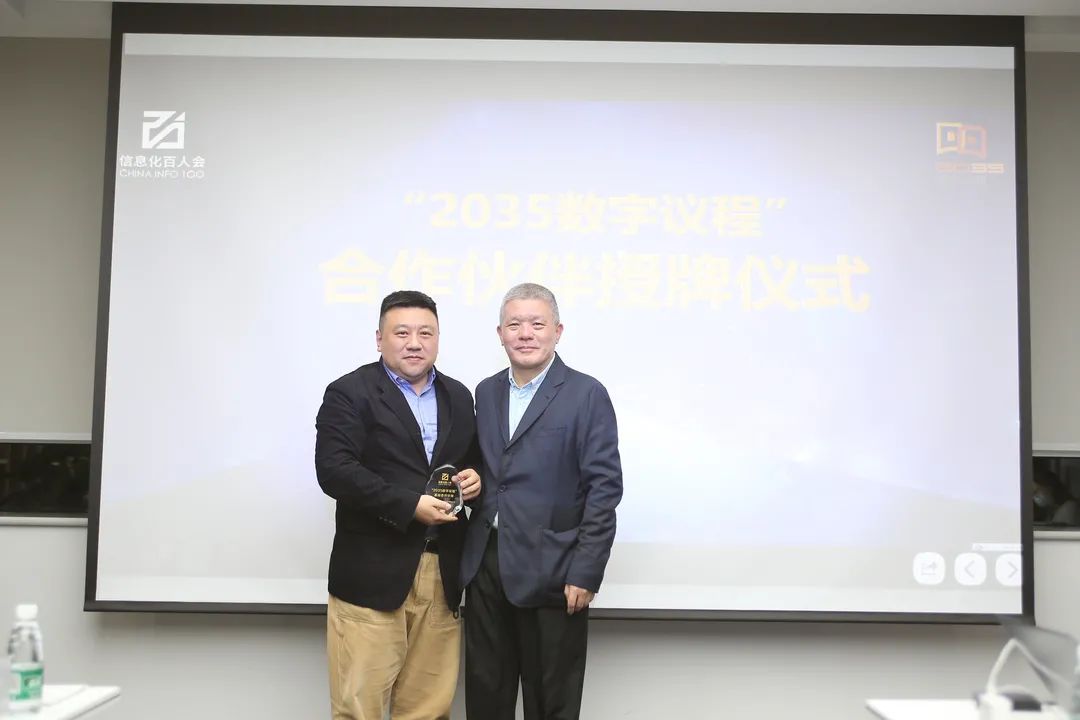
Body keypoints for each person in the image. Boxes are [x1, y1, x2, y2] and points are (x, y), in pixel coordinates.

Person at [315, 289, 482, 720]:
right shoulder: (349, 392)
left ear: (438, 339)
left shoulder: (459, 396)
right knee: (359, 708)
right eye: (401, 332)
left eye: (425, 333)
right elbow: (334, 470)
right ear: (379, 338)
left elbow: (470, 462)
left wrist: (475, 479)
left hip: (441, 573)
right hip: (372, 572)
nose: (414, 343)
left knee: (429, 709)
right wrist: (409, 505)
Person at [461, 282, 623, 720]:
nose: (525, 333)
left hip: (554, 570)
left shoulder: (586, 393)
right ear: (500, 333)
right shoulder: (486, 392)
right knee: (485, 698)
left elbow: (604, 488)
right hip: (487, 566)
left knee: (551, 703)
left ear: (558, 331)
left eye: (537, 323)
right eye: (514, 324)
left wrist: (586, 570)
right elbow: (489, 470)